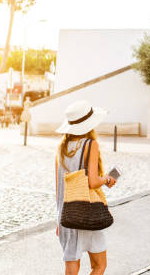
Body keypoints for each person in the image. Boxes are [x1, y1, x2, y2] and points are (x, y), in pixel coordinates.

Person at [55, 100, 117, 275]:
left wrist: (58, 219)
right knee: (99, 265)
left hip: (66, 215)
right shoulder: (90, 145)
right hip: (87, 213)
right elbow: (92, 182)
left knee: (71, 268)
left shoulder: (61, 147)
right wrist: (106, 179)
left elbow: (59, 187)